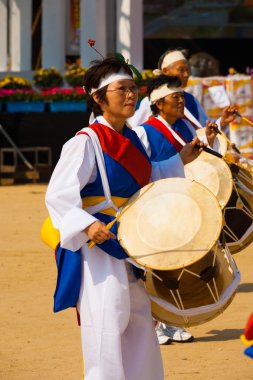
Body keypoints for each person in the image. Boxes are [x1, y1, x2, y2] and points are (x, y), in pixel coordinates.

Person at [45, 56, 203, 380]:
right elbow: (58, 195)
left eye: (133, 88)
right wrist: (87, 224)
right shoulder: (85, 142)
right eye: (122, 89)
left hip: (134, 244)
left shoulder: (135, 138)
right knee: (106, 326)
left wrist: (181, 159)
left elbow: (148, 178)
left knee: (141, 324)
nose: (131, 95)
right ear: (99, 97)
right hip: (101, 249)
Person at [128, 48, 237, 141]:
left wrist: (222, 121)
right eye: (181, 70)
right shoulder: (152, 100)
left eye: (187, 70)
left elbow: (203, 127)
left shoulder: (189, 100)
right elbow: (135, 132)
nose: (186, 74)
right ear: (165, 71)